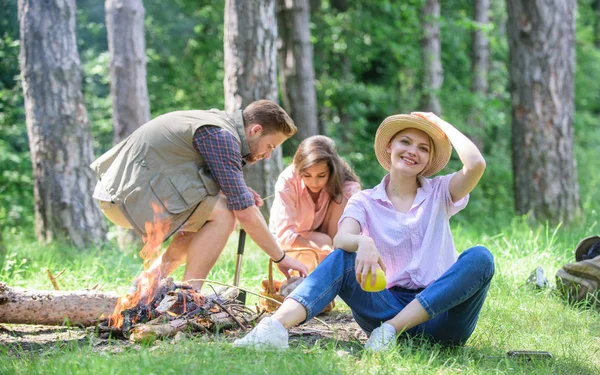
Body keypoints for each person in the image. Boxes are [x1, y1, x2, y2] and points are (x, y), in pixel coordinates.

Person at [234, 112, 493, 351]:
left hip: (441, 316)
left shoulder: (441, 192)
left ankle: (393, 330)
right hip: (385, 308)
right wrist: (362, 243)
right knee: (342, 256)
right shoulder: (365, 201)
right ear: (389, 146)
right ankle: (273, 329)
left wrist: (439, 123)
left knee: (480, 257)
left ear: (427, 160)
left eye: (423, 148)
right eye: (406, 142)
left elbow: (475, 164)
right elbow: (341, 238)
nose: (413, 151)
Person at [90, 100, 308, 292]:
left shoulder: (218, 123)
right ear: (255, 130)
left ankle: (149, 281)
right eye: (270, 146)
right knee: (224, 214)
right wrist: (280, 257)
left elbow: (189, 173)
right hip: (125, 198)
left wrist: (237, 190)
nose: (268, 155)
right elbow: (245, 213)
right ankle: (190, 293)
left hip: (120, 193)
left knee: (208, 212)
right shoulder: (221, 136)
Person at [269, 135, 361, 271]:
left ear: (331, 170)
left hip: (323, 236)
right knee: (323, 243)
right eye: (307, 175)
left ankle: (334, 270)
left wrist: (332, 248)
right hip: (287, 244)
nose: (314, 183)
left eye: (321, 176)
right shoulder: (287, 181)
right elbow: (285, 236)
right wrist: (319, 248)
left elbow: (351, 228)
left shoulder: (345, 185)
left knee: (344, 198)